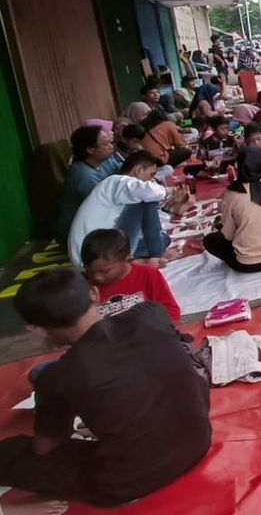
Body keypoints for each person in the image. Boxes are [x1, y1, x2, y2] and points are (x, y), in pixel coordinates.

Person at [0, 269, 210, 506]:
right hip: (198, 443)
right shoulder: (151, 313)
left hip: (129, 481)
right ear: (94, 293)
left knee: (9, 452)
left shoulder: (59, 376)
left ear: (35, 328)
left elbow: (44, 447)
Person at [68, 151, 182, 267]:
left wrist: (170, 208)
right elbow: (150, 192)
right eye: (151, 174)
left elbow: (148, 224)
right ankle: (158, 254)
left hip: (98, 252)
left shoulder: (124, 190)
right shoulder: (115, 181)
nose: (152, 180)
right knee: (147, 200)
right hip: (92, 256)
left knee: (164, 239)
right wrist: (167, 192)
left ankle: (138, 259)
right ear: (137, 170)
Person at [82, 228, 181, 321]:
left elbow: (170, 310)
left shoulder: (148, 274)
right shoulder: (85, 286)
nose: (96, 277)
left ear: (127, 260)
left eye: (104, 271)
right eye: (90, 271)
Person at [56, 126, 121, 248]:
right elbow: (106, 207)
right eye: (106, 144)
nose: (111, 146)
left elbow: (126, 171)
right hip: (77, 235)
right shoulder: (83, 176)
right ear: (90, 150)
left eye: (110, 142)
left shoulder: (105, 161)